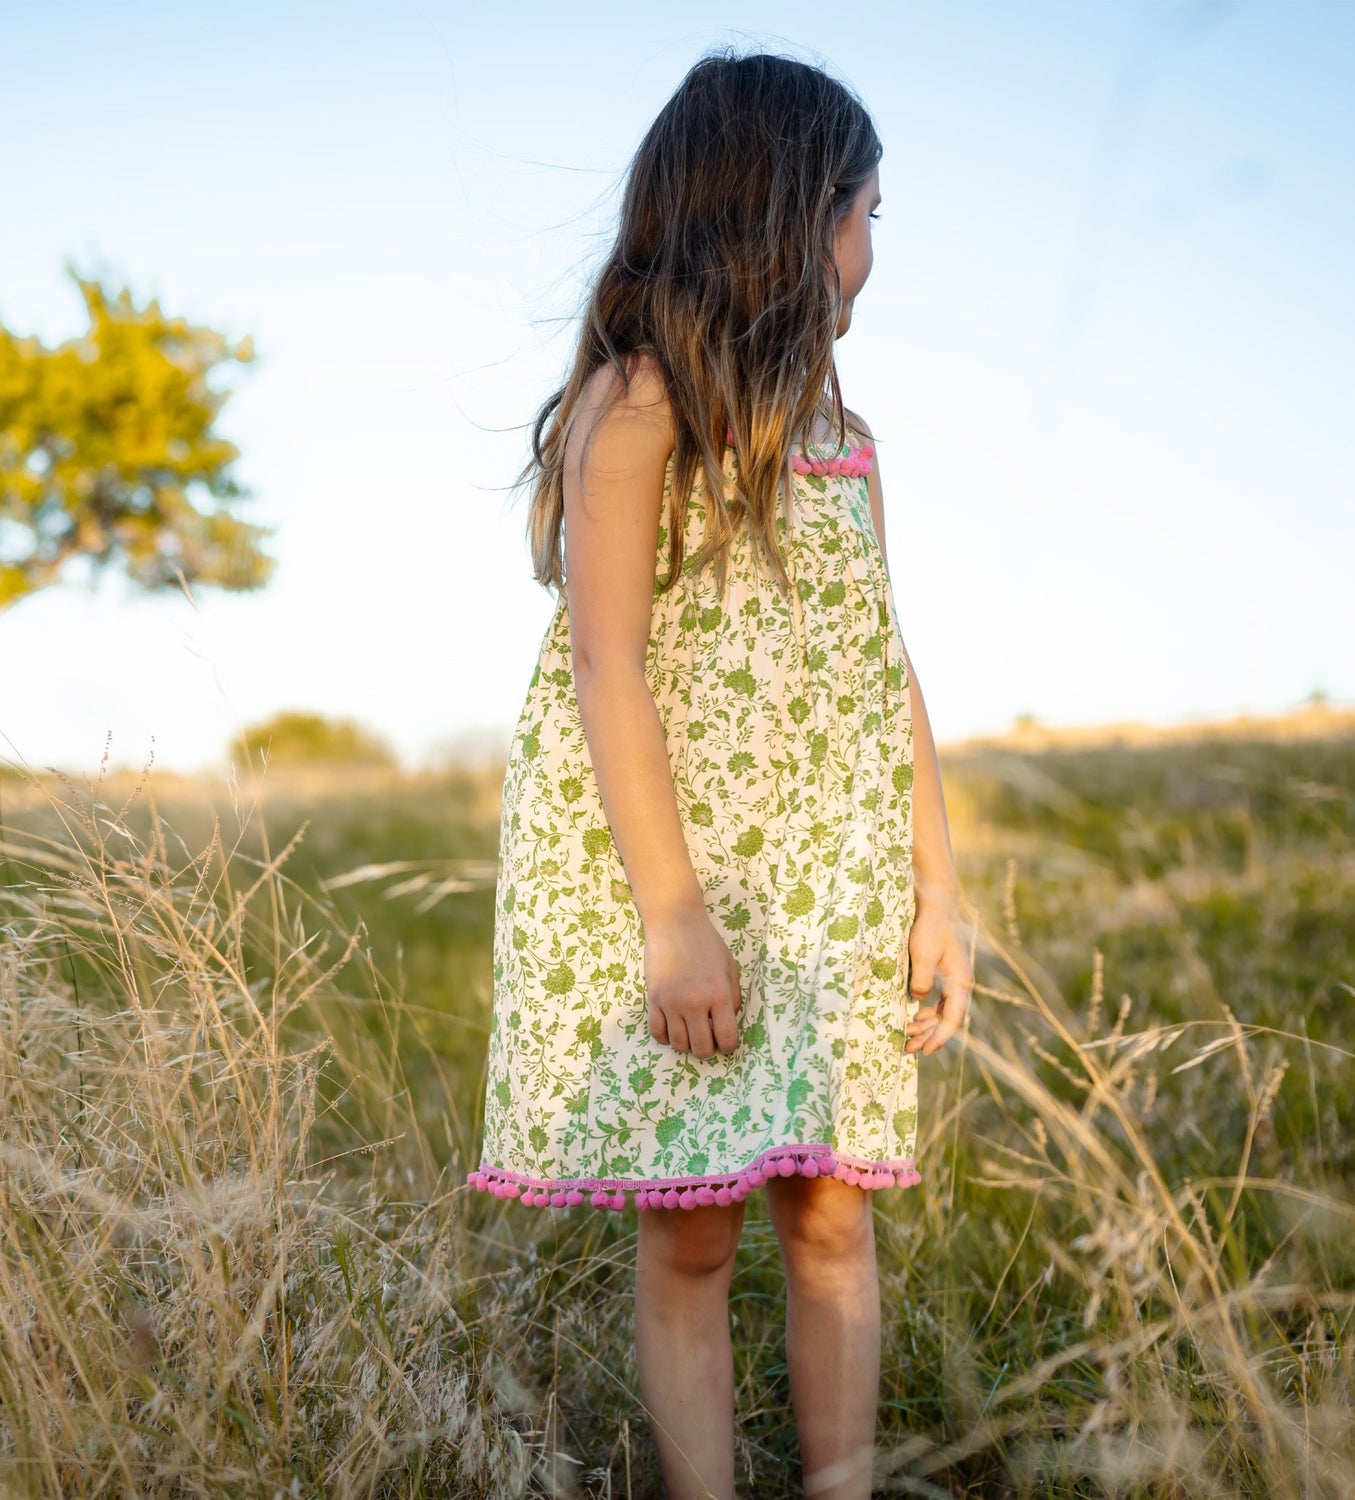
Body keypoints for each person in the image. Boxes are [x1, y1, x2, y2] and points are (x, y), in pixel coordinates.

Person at [466, 47, 974, 1500]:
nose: (876, 246)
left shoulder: (842, 443)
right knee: (692, 1229)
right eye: (869, 207)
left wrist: (937, 884)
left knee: (830, 1211)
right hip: (675, 869)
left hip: (827, 882)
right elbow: (605, 670)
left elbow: (888, 670)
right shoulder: (634, 413)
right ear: (789, 217)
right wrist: (674, 914)